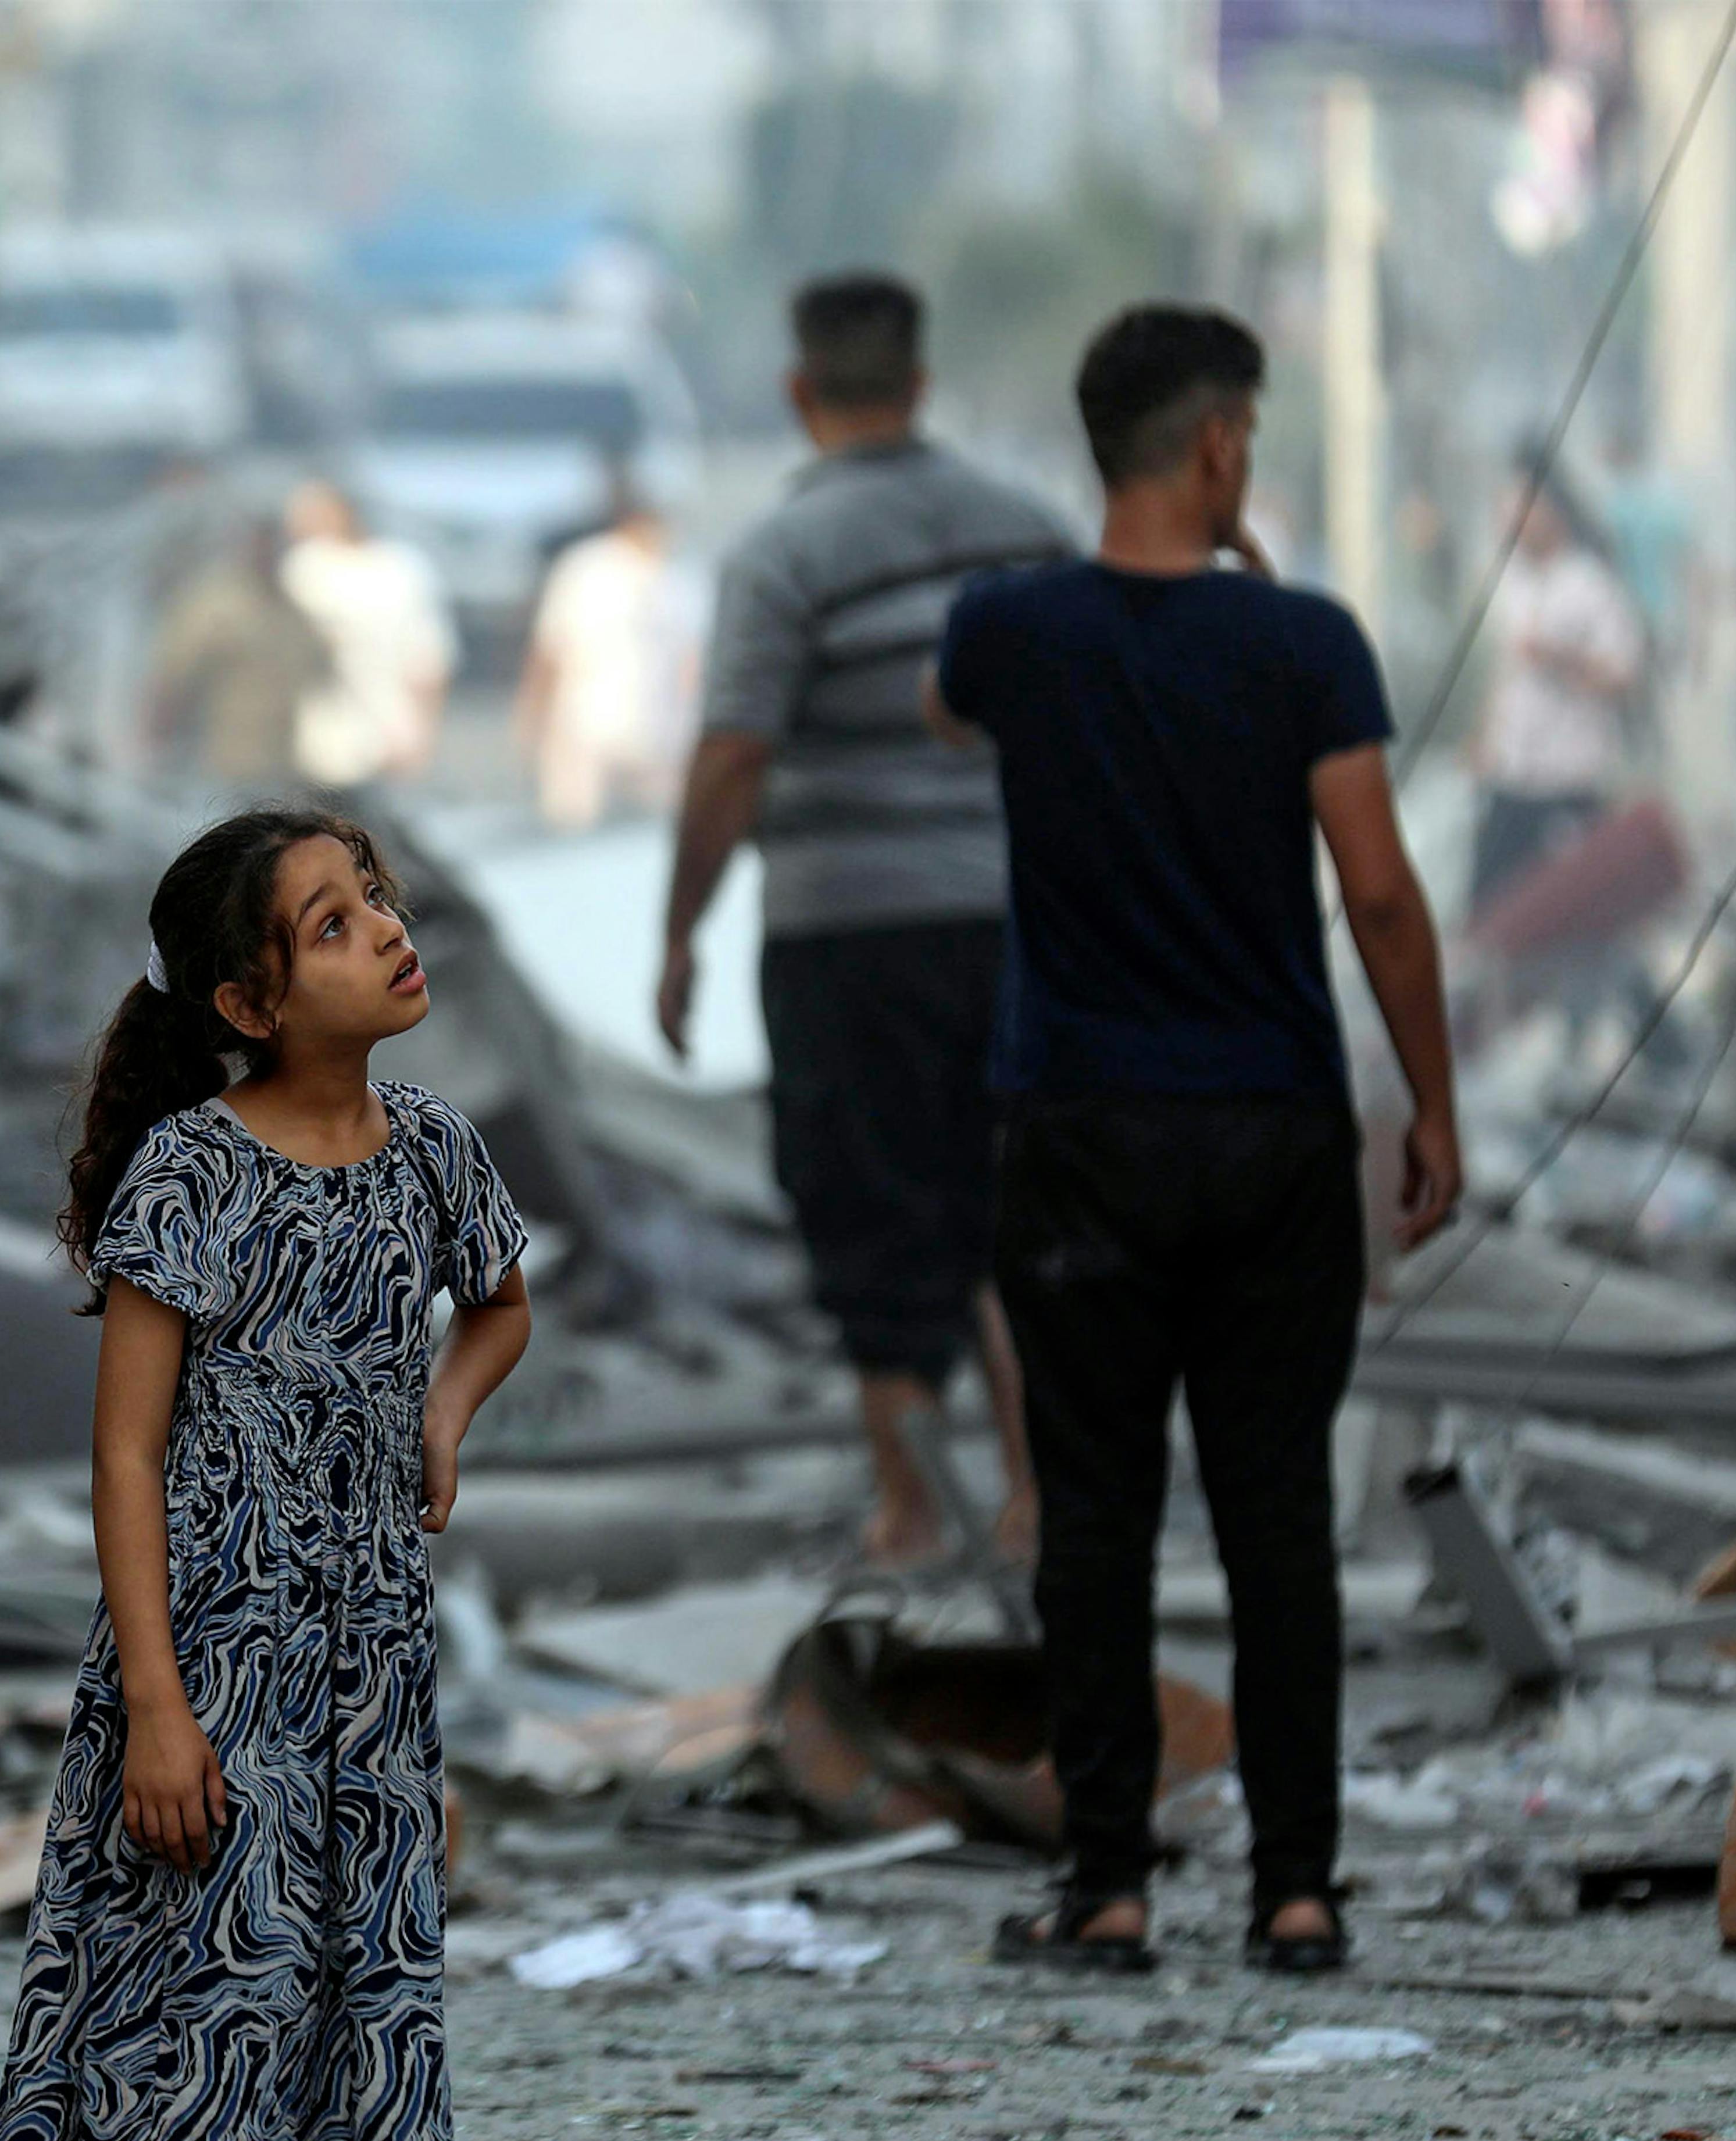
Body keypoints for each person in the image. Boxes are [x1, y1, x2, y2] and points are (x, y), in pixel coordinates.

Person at [0, 810, 533, 2141]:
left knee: (315, 2032)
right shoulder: (193, 1178)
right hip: (211, 1671)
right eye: (330, 919)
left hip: (366, 1683)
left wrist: (441, 1415)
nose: (383, 930)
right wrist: (155, 1703)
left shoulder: (428, 1147)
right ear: (249, 995)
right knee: (172, 2031)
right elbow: (126, 1456)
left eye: (376, 899)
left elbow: (497, 1304)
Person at [920, 303, 1463, 1976]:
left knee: (1094, 1514)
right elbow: (1374, 888)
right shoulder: (1305, 646)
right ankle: (1295, 1890)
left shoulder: (1007, 632)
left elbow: (956, 722)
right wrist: (1434, 1103)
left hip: (1079, 1134)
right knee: (1273, 1513)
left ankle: (1110, 1885)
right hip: (1271, 1135)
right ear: (1223, 445)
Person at [660, 270, 1073, 1563]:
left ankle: (909, 1509)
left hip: (849, 941)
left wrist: (678, 931)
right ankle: (1033, 1497)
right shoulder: (1028, 533)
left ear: (799, 391)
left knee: (877, 1214)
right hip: (1020, 929)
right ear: (919, 384)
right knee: (1018, 1212)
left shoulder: (783, 555)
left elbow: (732, 757)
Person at [1466, 484, 1643, 913]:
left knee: (1569, 910)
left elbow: (1622, 675)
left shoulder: (1591, 584)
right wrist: (1485, 736)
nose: (1512, 526)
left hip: (1568, 779)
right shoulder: (1515, 585)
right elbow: (1506, 672)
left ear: (1554, 515)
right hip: (1513, 775)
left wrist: (1557, 658)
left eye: (1523, 514)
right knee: (1490, 904)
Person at [510, 481, 692, 830]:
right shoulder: (587, 568)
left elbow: (690, 665)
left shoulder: (678, 578)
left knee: (650, 835)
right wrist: (533, 712)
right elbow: (552, 648)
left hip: (657, 732)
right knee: (575, 827)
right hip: (584, 724)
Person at [277, 479, 453, 789]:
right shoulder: (305, 568)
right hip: (326, 744)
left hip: (377, 739)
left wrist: (421, 734)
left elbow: (429, 661)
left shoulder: (399, 569)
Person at [145, 503, 330, 791]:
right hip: (225, 762)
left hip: (286, 762)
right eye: (260, 544)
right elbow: (172, 678)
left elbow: (319, 675)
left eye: (274, 545)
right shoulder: (214, 605)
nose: (267, 553)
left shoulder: (294, 612)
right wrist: (155, 743)